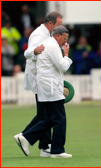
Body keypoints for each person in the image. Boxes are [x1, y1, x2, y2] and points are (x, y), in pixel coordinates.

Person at [18, 25, 73, 158]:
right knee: (59, 119)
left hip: (46, 86)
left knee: (50, 119)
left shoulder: (47, 44)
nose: (65, 42)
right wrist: (66, 55)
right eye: (64, 39)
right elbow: (63, 66)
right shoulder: (53, 46)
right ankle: (57, 150)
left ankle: (26, 137)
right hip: (51, 86)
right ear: (58, 35)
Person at [14, 12, 63, 157]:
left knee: (45, 112)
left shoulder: (47, 34)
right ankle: (28, 138)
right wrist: (34, 50)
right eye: (58, 25)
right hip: (39, 78)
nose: (61, 28)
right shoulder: (38, 34)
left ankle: (42, 144)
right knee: (46, 113)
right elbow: (27, 52)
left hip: (43, 78)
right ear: (50, 24)